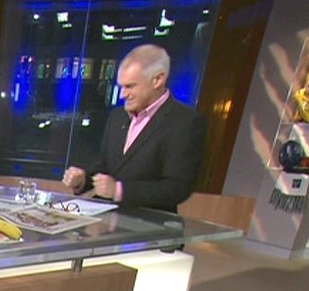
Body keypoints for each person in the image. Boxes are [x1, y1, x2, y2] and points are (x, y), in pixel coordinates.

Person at [62, 44, 206, 213]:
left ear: (157, 80)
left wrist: (119, 191)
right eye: (121, 86)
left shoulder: (185, 122)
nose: (123, 94)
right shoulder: (117, 116)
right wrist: (83, 180)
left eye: (130, 86)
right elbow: (106, 165)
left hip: (150, 222)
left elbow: (177, 188)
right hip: (106, 218)